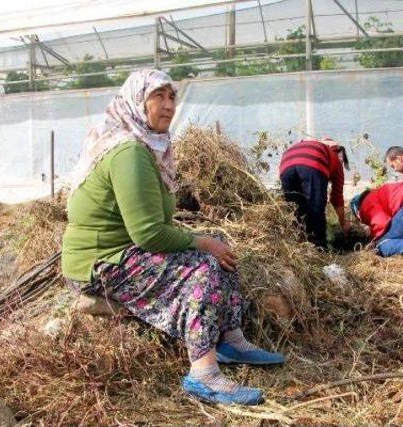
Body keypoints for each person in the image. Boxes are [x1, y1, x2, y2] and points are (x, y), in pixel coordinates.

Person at [62, 69, 283, 406]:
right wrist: (201, 243)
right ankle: (203, 373)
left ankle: (230, 340)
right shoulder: (128, 152)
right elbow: (149, 233)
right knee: (204, 266)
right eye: (158, 96)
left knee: (218, 243)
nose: (168, 106)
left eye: (171, 97)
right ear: (137, 101)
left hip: (125, 250)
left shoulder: (144, 146)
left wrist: (207, 240)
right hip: (100, 263)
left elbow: (152, 224)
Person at [279, 137, 350, 248]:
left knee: (294, 208)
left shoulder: (308, 144)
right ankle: (320, 249)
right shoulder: (335, 158)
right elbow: (337, 200)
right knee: (316, 208)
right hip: (314, 160)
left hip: (286, 161)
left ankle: (297, 244)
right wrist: (343, 224)